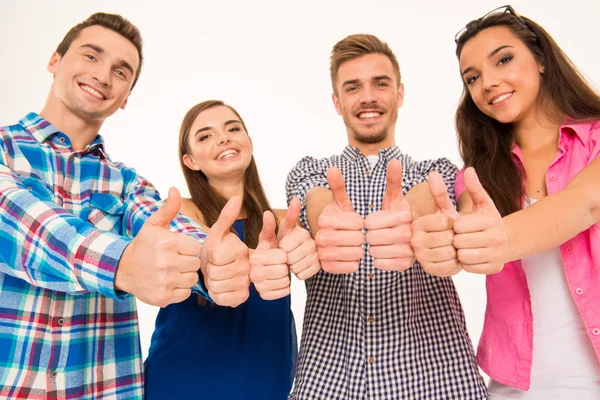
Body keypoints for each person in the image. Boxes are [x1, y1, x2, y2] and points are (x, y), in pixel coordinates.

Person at [0, 13, 249, 399]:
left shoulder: (128, 183)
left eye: (121, 71)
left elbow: (169, 229)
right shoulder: (5, 151)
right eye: (91, 56)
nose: (103, 75)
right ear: (55, 60)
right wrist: (123, 264)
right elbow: (23, 224)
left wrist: (213, 261)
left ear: (126, 97)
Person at [411, 5, 600, 399]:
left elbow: (585, 202)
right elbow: (466, 225)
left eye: (504, 60)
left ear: (542, 60)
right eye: (473, 77)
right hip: (515, 386)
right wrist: (445, 243)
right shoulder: (477, 174)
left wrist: (495, 238)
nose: (489, 83)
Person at [285, 34, 487, 399]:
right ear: (336, 102)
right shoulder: (310, 171)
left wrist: (413, 219)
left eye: (380, 83)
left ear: (400, 94)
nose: (367, 97)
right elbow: (314, 203)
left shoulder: (436, 172)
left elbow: (430, 199)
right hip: (329, 378)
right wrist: (324, 222)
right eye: (352, 87)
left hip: (434, 378)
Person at [144, 100, 320, 399]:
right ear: (190, 161)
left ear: (248, 143)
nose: (223, 138)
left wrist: (305, 250)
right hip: (181, 382)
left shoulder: (282, 222)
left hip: (265, 383)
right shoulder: (179, 213)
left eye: (232, 129)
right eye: (205, 136)